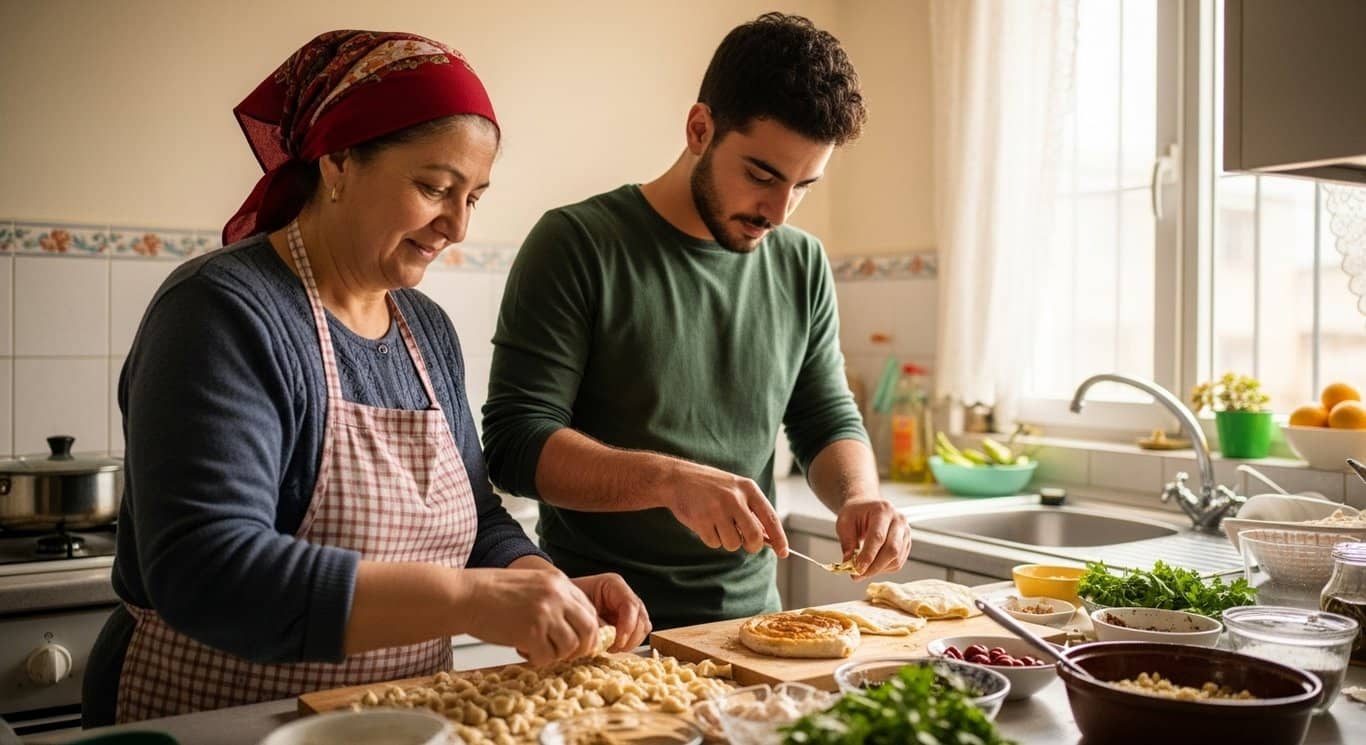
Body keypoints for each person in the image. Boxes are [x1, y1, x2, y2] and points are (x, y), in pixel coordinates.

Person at [84, 30, 648, 726]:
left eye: (475, 196)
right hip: (218, 717)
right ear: (339, 162)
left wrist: (542, 581)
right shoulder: (222, 311)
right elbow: (209, 572)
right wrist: (472, 600)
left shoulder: (427, 330)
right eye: (435, 187)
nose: (458, 226)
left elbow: (476, 521)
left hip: (396, 719)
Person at [482, 13, 911, 630]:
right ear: (699, 129)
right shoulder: (577, 242)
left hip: (755, 629)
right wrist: (667, 480)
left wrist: (860, 497)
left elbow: (824, 417)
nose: (778, 211)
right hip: (604, 629)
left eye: (803, 186)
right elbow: (515, 443)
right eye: (762, 175)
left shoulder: (801, 261)